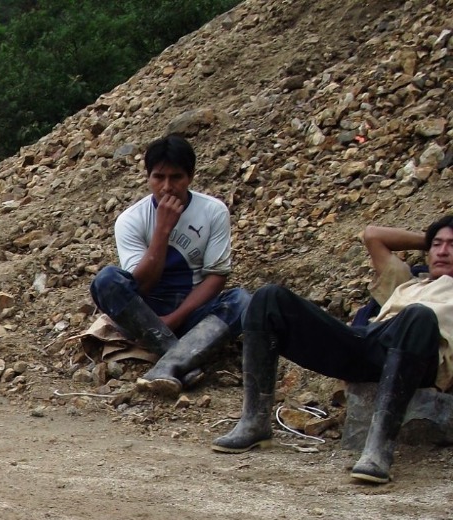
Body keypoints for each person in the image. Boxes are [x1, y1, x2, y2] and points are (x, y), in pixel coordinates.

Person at [212, 216, 453, 485]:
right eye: (437, 245)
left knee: (418, 315)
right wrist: (430, 235)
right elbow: (373, 234)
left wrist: (439, 239)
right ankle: (254, 422)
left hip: (421, 356)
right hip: (373, 342)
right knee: (269, 298)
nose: (442, 251)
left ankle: (378, 449)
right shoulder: (407, 281)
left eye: (452, 245)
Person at [89, 134, 250, 397]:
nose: (166, 187)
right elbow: (140, 286)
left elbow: (216, 277)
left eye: (176, 177)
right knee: (106, 280)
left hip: (192, 314)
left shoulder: (213, 211)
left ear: (190, 177)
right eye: (158, 177)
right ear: (148, 178)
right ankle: (177, 358)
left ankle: (168, 358)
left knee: (242, 301)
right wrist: (162, 230)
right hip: (143, 317)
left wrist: (174, 319)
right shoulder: (131, 219)